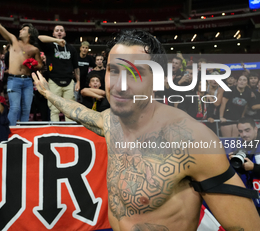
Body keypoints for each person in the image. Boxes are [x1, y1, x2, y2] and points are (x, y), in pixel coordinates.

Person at [32, 29, 260, 231]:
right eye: (113, 70)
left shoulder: (190, 139)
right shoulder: (111, 121)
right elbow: (79, 112)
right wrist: (48, 94)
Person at [0, 13, 65, 126]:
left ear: (29, 33)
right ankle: (10, 132)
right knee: (14, 108)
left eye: (24, 29)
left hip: (28, 81)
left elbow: (40, 65)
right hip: (14, 80)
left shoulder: (34, 49)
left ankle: (23, 133)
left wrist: (33, 64)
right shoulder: (13, 41)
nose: (20, 31)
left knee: (26, 109)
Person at [38, 25, 80, 122]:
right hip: (53, 81)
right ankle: (55, 132)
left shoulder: (71, 48)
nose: (59, 32)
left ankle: (69, 132)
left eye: (61, 30)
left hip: (69, 82)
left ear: (65, 33)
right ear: (53, 34)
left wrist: (78, 81)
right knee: (54, 110)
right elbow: (39, 38)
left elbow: (76, 67)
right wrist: (56, 41)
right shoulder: (49, 47)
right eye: (57, 31)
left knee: (69, 109)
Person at [229, 117, 260, 215]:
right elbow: (243, 173)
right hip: (251, 198)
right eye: (241, 131)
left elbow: (253, 168)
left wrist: (254, 167)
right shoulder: (240, 145)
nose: (244, 135)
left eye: (247, 130)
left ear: (255, 129)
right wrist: (235, 163)